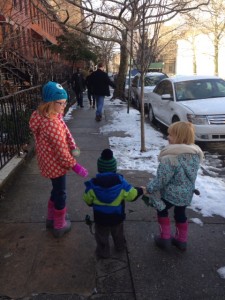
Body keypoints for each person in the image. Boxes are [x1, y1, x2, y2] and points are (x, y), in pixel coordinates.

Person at [29, 81, 88, 238]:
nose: (64, 106)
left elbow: (63, 135)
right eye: (60, 103)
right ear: (49, 102)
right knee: (61, 193)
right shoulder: (52, 124)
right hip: (56, 164)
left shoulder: (42, 116)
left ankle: (51, 218)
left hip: (47, 161)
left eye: (65, 102)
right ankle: (59, 224)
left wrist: (72, 146)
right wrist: (76, 167)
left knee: (55, 190)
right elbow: (62, 152)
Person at [144, 121, 204, 251]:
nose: (168, 137)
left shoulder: (171, 158)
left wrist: (149, 188)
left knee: (162, 209)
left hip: (171, 193)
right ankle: (181, 240)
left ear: (179, 137)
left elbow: (162, 179)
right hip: (186, 193)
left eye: (170, 135)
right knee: (180, 213)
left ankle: (165, 238)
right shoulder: (195, 155)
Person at [83, 148, 145, 258]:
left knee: (101, 236)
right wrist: (140, 190)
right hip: (117, 216)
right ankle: (120, 246)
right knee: (118, 233)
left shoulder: (93, 184)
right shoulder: (121, 183)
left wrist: (92, 203)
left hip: (100, 218)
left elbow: (87, 199)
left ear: (99, 169)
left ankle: (103, 252)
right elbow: (131, 195)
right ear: (114, 168)